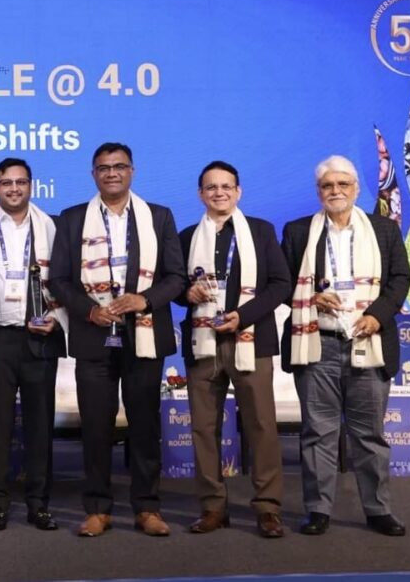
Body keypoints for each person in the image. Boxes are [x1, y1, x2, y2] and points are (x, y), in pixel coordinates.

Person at [48, 142, 186, 537]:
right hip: (94, 336)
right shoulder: (73, 218)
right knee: (96, 427)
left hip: (144, 334)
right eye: (104, 167)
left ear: (132, 171)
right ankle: (97, 508)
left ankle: (147, 508)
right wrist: (89, 310)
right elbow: (59, 279)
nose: (112, 173)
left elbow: (176, 277)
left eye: (119, 166)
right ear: (93, 174)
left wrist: (146, 300)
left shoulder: (158, 216)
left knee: (144, 425)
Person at [281, 155, 410, 537]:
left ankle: (378, 510)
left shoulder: (383, 229)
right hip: (317, 344)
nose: (335, 191)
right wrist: (309, 299)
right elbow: (281, 282)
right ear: (318, 191)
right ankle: (318, 509)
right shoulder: (298, 231)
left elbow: (401, 277)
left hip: (369, 341)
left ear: (355, 188)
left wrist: (378, 315)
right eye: (327, 185)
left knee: (369, 435)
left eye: (342, 184)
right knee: (317, 433)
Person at [175, 160, 289, 538]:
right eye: (211, 187)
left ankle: (268, 508)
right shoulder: (187, 237)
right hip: (203, 343)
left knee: (261, 426)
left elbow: (280, 284)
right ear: (200, 194)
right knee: (203, 428)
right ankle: (212, 507)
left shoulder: (261, 231)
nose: (219, 192)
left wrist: (244, 316)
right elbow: (173, 287)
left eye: (226, 186)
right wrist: (186, 293)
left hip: (250, 341)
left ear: (238, 192)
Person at [0, 158, 65, 532]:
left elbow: (65, 279)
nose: (14, 189)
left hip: (40, 337)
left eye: (21, 182)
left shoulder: (53, 226)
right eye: (7, 183)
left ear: (31, 186)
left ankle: (39, 504)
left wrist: (59, 318)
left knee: (40, 426)